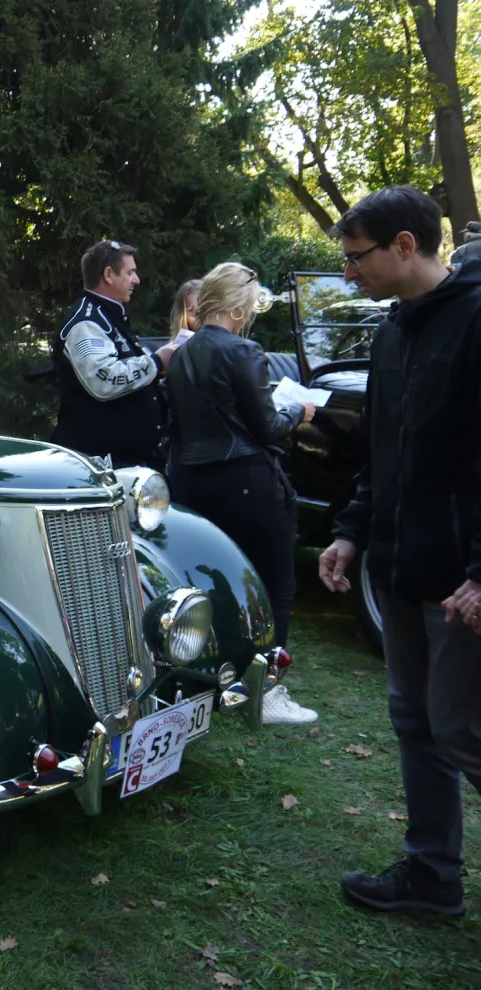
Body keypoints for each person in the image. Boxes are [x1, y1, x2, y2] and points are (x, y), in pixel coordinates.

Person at [317, 186, 481, 917]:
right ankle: (432, 875)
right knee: (415, 722)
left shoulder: (476, 321)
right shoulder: (391, 332)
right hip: (399, 568)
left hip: (460, 581)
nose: (348, 273)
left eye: (357, 258)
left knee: (462, 729)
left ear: (406, 246)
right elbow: (380, 455)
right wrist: (350, 531)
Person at [165, 263, 317, 724]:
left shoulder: (180, 354)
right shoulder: (242, 349)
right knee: (276, 584)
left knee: (209, 583)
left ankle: (214, 683)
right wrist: (299, 412)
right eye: (249, 305)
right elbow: (267, 427)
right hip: (245, 479)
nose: (251, 313)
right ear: (236, 308)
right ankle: (266, 692)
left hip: (192, 480)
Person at [51, 240, 180, 468]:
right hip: (100, 467)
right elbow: (104, 379)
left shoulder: (110, 317)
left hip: (130, 463)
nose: (136, 280)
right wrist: (157, 361)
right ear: (108, 275)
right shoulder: (86, 323)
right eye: (130, 272)